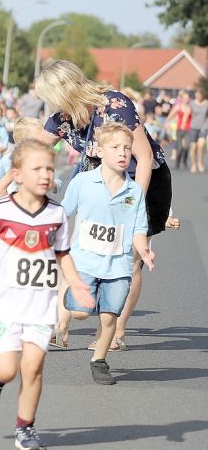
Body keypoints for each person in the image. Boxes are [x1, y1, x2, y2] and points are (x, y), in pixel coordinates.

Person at [0, 139, 94, 450]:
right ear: (17, 174)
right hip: (6, 304)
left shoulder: (57, 215)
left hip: (41, 306)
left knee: (32, 367)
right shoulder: (1, 211)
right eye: (37, 169)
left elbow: (62, 255)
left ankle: (26, 429)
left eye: (49, 168)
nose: (46, 174)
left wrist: (75, 283)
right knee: (8, 368)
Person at [35, 59, 170, 349]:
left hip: (139, 181)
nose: (50, 106)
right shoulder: (62, 119)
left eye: (51, 98)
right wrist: (5, 187)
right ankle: (61, 325)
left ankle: (114, 333)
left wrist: (134, 206)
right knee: (75, 247)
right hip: (96, 182)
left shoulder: (114, 106)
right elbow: (32, 152)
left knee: (128, 258)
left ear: (65, 91)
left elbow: (144, 158)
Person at [58, 122, 155, 384]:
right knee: (79, 313)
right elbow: (63, 213)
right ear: (99, 151)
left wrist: (143, 250)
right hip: (86, 262)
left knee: (110, 315)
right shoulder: (83, 182)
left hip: (119, 265)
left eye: (127, 148)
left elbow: (137, 228)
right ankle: (68, 297)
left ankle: (99, 361)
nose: (123, 153)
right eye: (115, 148)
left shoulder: (134, 190)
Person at [190, 88, 208, 173]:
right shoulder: (192, 103)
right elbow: (188, 114)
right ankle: (193, 164)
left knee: (201, 145)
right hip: (193, 128)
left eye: (199, 96)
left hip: (203, 128)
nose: (198, 97)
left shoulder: (206, 103)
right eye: (196, 96)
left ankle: (200, 163)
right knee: (193, 147)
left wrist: (205, 126)